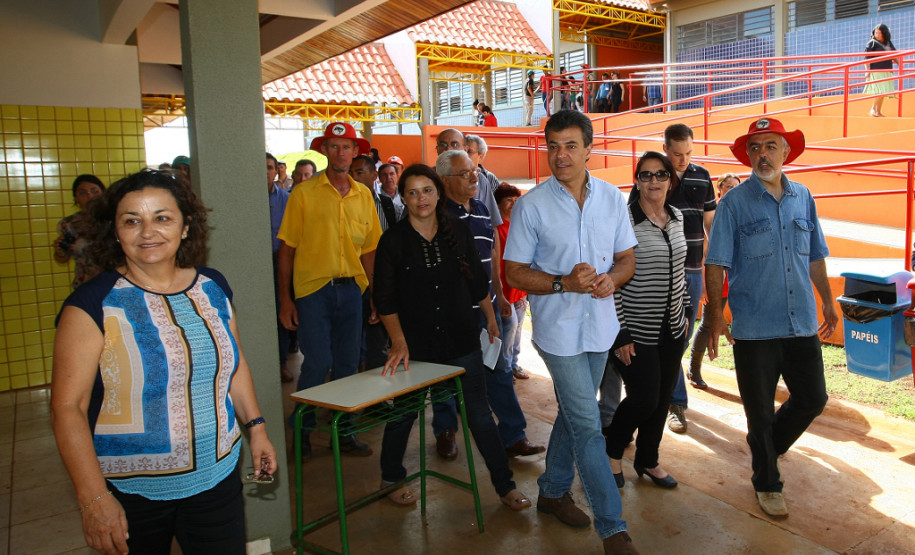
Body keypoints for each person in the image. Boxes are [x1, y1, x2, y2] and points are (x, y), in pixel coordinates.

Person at [50, 169, 277, 554]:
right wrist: (93, 500)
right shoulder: (92, 304)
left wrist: (256, 428)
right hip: (130, 491)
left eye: (162, 217)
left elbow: (234, 365)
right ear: (115, 231)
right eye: (132, 221)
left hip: (217, 477)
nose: (147, 231)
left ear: (185, 227)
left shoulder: (212, 287)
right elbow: (67, 408)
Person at [504, 110, 639, 554]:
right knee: (588, 423)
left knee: (572, 411)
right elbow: (515, 272)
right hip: (558, 332)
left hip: (600, 329)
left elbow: (626, 260)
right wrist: (565, 282)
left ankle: (553, 489)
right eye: (553, 146)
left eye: (570, 146)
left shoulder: (611, 199)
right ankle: (612, 527)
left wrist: (611, 280)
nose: (560, 156)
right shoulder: (531, 205)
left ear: (588, 148)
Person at [373, 164, 531, 511]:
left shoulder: (457, 231)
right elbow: (384, 299)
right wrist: (398, 342)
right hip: (414, 347)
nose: (421, 198)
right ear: (403, 199)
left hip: (462, 340)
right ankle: (390, 479)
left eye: (427, 190)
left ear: (438, 194)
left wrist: (490, 319)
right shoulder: (393, 241)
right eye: (412, 192)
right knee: (404, 414)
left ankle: (504, 486)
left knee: (478, 414)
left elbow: (477, 283)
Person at [705, 117, 838, 518]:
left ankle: (766, 449)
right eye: (755, 148)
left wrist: (828, 301)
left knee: (813, 399)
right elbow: (715, 263)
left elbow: (815, 255)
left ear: (786, 151)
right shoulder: (733, 203)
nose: (762, 154)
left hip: (800, 322)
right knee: (759, 411)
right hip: (755, 328)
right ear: (748, 156)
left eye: (770, 146)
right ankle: (767, 480)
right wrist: (716, 316)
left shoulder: (804, 198)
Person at [278, 122, 382, 460]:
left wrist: (376, 295)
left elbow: (370, 251)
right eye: (334, 146)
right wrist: (285, 300)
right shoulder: (304, 193)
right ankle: (303, 432)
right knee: (318, 362)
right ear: (325, 151)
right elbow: (287, 250)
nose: (340, 153)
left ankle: (344, 432)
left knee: (348, 365)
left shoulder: (363, 195)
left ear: (356, 152)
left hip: (352, 290)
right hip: (313, 291)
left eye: (346, 147)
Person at [440, 150, 544, 460]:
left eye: (475, 171)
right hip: (452, 314)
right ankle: (446, 431)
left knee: (499, 371)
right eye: (466, 174)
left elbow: (493, 257)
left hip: (487, 310)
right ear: (445, 181)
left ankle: (513, 434)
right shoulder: (437, 215)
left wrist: (498, 298)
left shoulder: (484, 210)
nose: (475, 177)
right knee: (447, 376)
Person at [605, 152, 688, 491]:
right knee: (644, 399)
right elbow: (611, 279)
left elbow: (680, 269)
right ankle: (611, 451)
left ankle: (647, 459)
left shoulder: (678, 216)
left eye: (661, 174)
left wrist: (684, 313)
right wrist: (620, 331)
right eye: (646, 175)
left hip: (673, 328)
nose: (654, 181)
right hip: (635, 331)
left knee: (663, 397)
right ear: (636, 180)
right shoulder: (622, 220)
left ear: (671, 179)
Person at [629, 123, 716, 435]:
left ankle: (662, 394)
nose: (683, 160)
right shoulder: (651, 179)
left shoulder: (702, 176)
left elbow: (710, 225)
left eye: (689, 153)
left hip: (693, 271)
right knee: (665, 339)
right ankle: (674, 402)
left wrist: (711, 269)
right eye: (677, 154)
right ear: (665, 149)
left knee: (680, 338)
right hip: (657, 276)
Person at [688, 173, 739, 388]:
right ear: (719, 190)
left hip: (738, 279)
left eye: (736, 186)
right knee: (708, 323)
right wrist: (704, 283)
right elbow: (704, 252)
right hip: (715, 278)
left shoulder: (741, 211)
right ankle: (694, 368)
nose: (731, 190)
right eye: (727, 186)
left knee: (742, 325)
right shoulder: (711, 213)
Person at [494, 183, 530, 381]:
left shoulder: (521, 226)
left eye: (516, 200)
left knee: (517, 331)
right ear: (498, 204)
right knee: (509, 329)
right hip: (504, 290)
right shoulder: (497, 228)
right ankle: (504, 369)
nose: (513, 204)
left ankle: (514, 364)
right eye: (509, 200)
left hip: (519, 290)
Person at [267, 153, 293, 383]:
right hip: (256, 263)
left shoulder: (287, 199)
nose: (265, 172)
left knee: (280, 312)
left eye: (269, 167)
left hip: (279, 261)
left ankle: (282, 362)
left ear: (277, 171)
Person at [53, 174, 106, 289]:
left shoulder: (116, 220)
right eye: (83, 193)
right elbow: (62, 259)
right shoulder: (69, 225)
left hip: (117, 284)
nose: (89, 196)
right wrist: (60, 252)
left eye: (94, 191)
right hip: (86, 286)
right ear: (76, 198)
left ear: (103, 194)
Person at [865, 23, 896, 117]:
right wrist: (867, 71)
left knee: (883, 92)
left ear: (884, 33)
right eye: (876, 33)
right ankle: (873, 109)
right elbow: (867, 58)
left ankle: (878, 111)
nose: (877, 35)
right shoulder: (872, 43)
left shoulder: (888, 43)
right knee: (879, 91)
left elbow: (895, 54)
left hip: (887, 71)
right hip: (876, 70)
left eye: (879, 33)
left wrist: (901, 65)